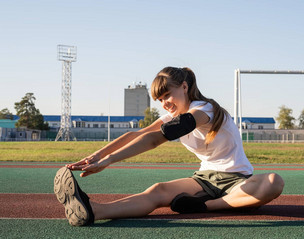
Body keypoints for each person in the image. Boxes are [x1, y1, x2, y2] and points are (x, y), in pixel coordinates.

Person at [54, 66, 285, 226]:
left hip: (239, 180)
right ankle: (94, 210)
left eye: (167, 95)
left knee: (273, 182)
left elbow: (159, 137)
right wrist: (98, 155)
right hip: (205, 179)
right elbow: (139, 133)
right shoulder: (173, 116)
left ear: (184, 87)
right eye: (160, 100)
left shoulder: (205, 109)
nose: (165, 103)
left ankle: (205, 207)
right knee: (158, 190)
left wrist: (110, 161)